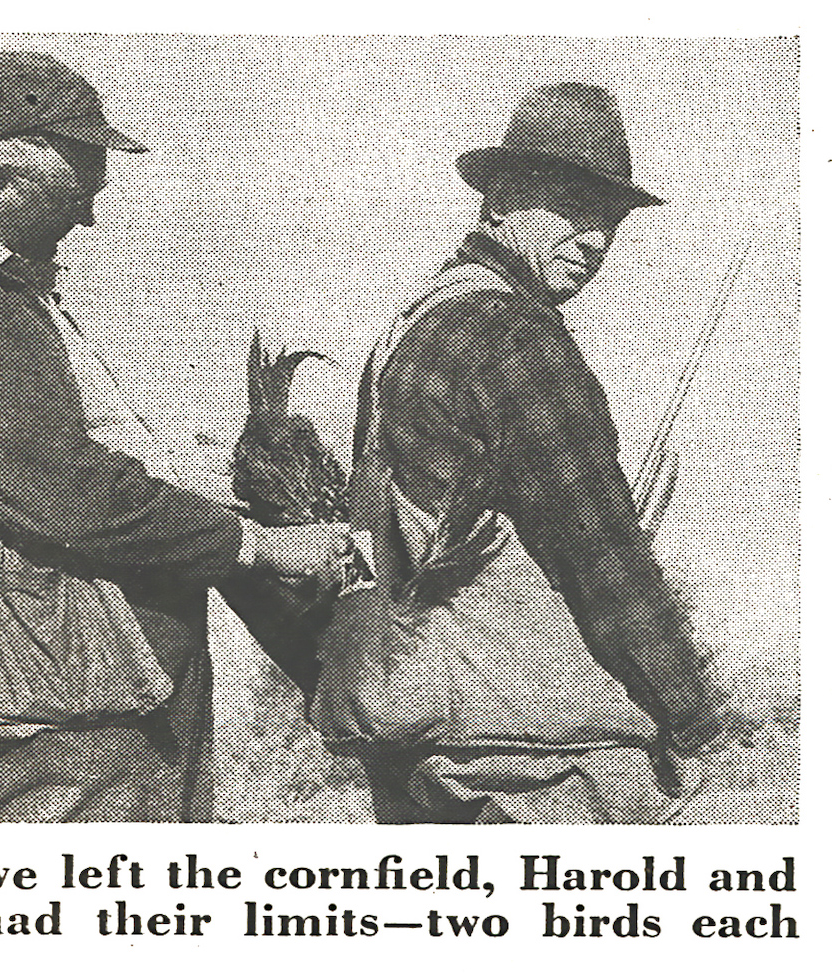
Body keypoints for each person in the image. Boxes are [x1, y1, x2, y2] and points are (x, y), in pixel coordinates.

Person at [0, 50, 349, 823]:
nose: (90, 216)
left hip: (101, 687)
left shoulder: (2, 293)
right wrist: (259, 547)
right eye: (73, 193)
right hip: (53, 710)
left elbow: (81, 468)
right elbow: (68, 494)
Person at [312, 83, 738, 824]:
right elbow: (600, 552)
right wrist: (690, 717)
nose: (597, 239)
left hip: (420, 740)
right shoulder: (515, 338)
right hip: (539, 757)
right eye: (572, 210)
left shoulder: (407, 331)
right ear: (500, 200)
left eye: (608, 219)